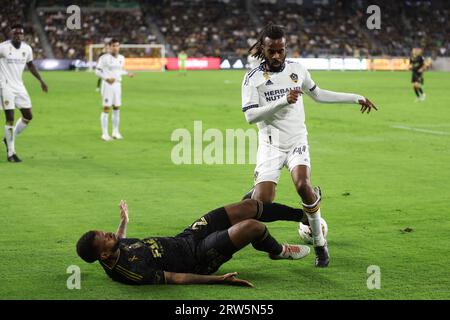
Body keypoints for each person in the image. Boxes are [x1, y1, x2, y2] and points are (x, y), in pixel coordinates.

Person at [241, 23, 377, 267]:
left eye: (280, 50)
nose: (276, 55)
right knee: (263, 204)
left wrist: (355, 97)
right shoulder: (253, 79)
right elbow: (250, 116)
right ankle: (254, 194)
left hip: (296, 142)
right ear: (263, 48)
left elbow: (319, 94)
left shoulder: (297, 70)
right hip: (271, 145)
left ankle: (319, 245)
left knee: (303, 186)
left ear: (285, 48)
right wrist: (283, 101)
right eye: (271, 50)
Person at [76, 199, 310, 286]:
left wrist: (123, 222)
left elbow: (121, 241)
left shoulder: (110, 250)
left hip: (185, 237)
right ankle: (278, 251)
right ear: (103, 255)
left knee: (247, 207)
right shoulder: (131, 272)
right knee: (253, 227)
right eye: (104, 237)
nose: (109, 234)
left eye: (104, 232)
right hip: (197, 259)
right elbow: (175, 278)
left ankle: (304, 215)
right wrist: (218, 280)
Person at [0, 24, 48, 162]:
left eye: (20, 33)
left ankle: (8, 138)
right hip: (5, 86)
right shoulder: (3, 47)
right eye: (15, 33)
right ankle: (11, 153)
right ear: (10, 34)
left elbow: (31, 65)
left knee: (28, 116)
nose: (18, 35)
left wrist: (41, 80)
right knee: (10, 118)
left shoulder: (27, 49)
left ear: (23, 35)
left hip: (19, 86)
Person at [95, 39, 134, 141]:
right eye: (113, 46)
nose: (115, 48)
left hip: (117, 85)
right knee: (106, 108)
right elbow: (97, 71)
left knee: (116, 108)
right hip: (107, 85)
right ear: (109, 47)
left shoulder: (122, 58)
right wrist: (106, 78)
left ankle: (115, 132)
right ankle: (104, 134)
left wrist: (127, 73)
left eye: (117, 45)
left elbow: (119, 70)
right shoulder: (104, 58)